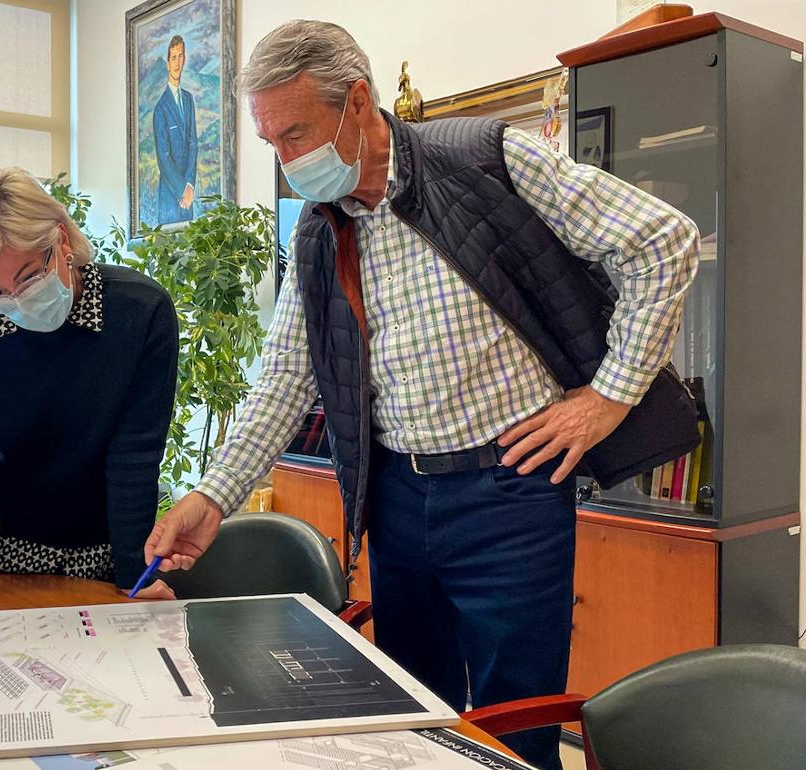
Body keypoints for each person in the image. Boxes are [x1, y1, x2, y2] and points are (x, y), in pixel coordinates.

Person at [143, 20, 698, 770]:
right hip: (397, 499)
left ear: (359, 100)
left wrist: (608, 397)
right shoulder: (319, 232)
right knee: (413, 719)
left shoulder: (485, 158)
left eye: (296, 133)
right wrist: (210, 497)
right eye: (271, 142)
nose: (285, 160)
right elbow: (284, 378)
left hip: (511, 491)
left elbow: (662, 241)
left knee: (513, 725)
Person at [0, 167, 178, 598]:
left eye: (29, 276)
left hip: (99, 548)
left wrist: (133, 579)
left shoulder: (139, 312)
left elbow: (133, 458)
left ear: (62, 240)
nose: (17, 300)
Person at [152, 34, 198, 225]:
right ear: (167, 64)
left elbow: (193, 144)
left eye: (180, 56)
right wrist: (181, 190)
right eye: (173, 58)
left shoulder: (188, 100)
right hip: (171, 196)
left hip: (187, 194)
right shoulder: (160, 108)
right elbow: (164, 157)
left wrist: (189, 185)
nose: (177, 63)